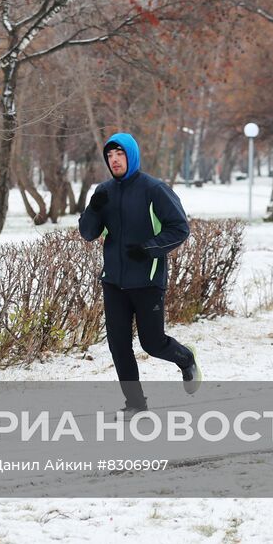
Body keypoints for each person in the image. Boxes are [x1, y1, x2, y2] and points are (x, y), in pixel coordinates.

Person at [78, 131, 201, 412]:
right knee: (118, 346)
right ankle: (135, 403)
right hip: (114, 282)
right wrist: (93, 210)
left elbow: (180, 228)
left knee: (153, 344)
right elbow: (88, 233)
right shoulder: (104, 191)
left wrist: (149, 249)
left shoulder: (154, 189)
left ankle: (185, 358)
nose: (114, 160)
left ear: (131, 156)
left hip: (147, 281)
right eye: (109, 156)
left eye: (119, 154)